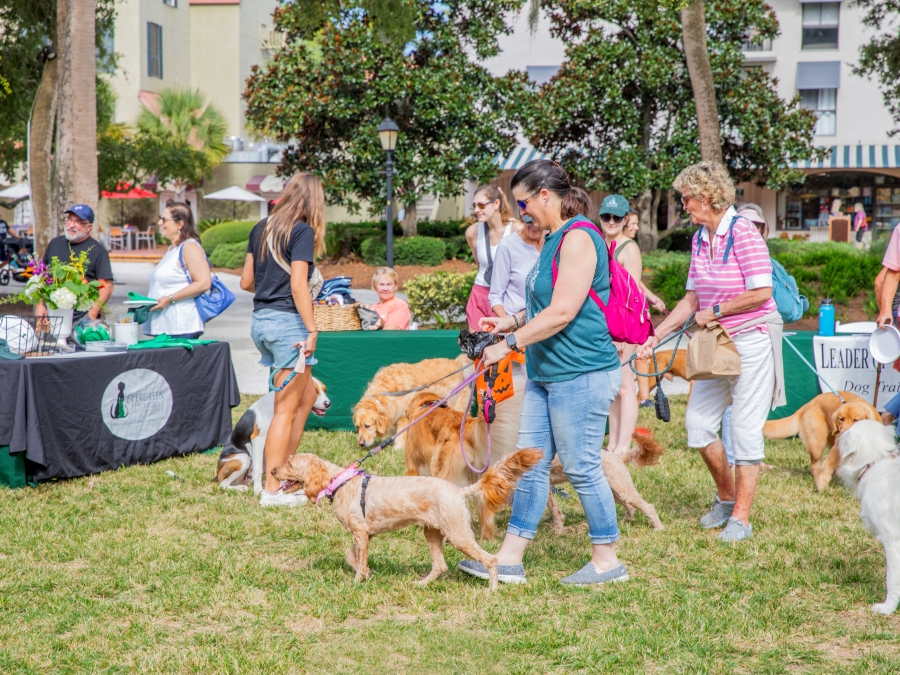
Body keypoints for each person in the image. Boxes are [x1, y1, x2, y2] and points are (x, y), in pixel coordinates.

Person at [457, 159, 628, 586]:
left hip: (581, 372)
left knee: (582, 466)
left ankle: (608, 562)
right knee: (528, 465)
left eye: (524, 201)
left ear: (545, 196)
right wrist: (509, 323)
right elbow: (540, 305)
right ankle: (510, 559)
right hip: (546, 372)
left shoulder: (580, 237)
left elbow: (564, 311)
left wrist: (509, 345)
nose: (522, 211)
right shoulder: (551, 239)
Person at [637, 162, 784, 542]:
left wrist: (716, 311)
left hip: (750, 340)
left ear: (706, 197)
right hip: (716, 342)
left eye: (686, 198)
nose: (683, 205)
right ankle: (726, 495)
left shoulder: (745, 234)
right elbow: (691, 299)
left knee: (744, 429)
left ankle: (741, 517)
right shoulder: (701, 238)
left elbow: (762, 292)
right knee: (698, 425)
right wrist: (656, 335)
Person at [240, 173, 327, 507]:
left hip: (261, 321)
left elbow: (246, 281)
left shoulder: (261, 227)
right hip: (288, 324)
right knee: (284, 410)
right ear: (313, 201)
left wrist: (268, 283)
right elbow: (298, 286)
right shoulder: (301, 231)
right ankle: (272, 489)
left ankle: (289, 474)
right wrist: (312, 330)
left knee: (304, 399)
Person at [597, 194, 644, 455]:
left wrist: (622, 335)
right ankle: (613, 442)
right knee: (614, 388)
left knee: (626, 387)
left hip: (623, 329)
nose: (612, 221)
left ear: (626, 219)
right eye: (607, 216)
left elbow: (633, 296)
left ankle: (623, 445)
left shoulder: (629, 248)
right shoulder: (599, 244)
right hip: (604, 326)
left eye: (617, 217)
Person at [37, 204, 114, 323]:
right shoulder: (54, 243)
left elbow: (107, 287)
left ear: (89, 227)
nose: (71, 225)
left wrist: (91, 315)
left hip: (81, 319)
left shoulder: (98, 251)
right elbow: (42, 277)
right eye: (69, 219)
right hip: (52, 316)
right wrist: (40, 305)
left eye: (78, 222)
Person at [147, 202, 212, 339]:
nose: (159, 223)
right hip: (166, 326)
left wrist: (170, 299)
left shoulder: (189, 247)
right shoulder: (173, 248)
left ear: (180, 224)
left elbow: (204, 283)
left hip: (181, 326)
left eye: (164, 219)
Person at [623, 209, 666, 408]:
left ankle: (644, 398)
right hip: (625, 313)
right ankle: (634, 398)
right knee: (627, 361)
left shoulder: (630, 246)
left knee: (642, 352)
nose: (636, 227)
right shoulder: (619, 247)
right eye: (632, 223)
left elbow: (635, 280)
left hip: (637, 310)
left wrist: (652, 297)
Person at [464, 185, 521, 329]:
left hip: (506, 298)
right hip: (479, 294)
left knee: (506, 349)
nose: (477, 210)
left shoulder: (517, 230)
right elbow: (479, 265)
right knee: (476, 348)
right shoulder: (473, 232)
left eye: (482, 205)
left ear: (496, 203)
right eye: (475, 205)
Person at [487, 205, 546, 318]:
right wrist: (507, 325)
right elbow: (495, 296)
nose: (534, 226)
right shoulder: (508, 245)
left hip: (546, 324)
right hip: (515, 323)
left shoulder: (553, 241)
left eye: (538, 221)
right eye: (529, 221)